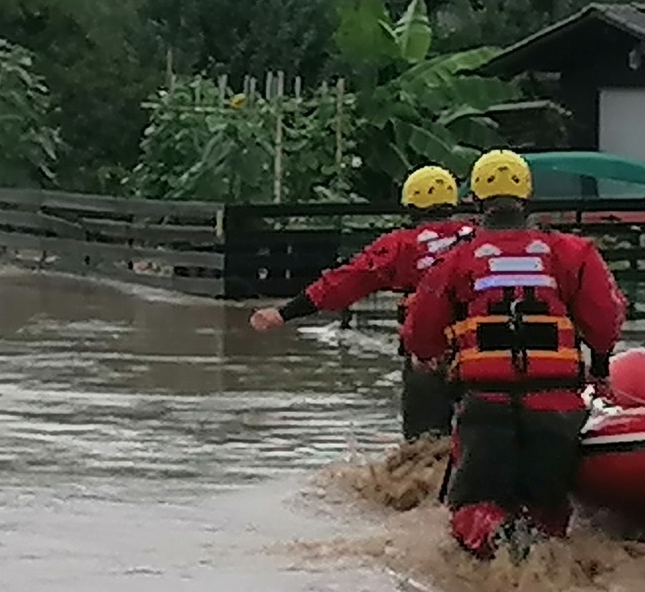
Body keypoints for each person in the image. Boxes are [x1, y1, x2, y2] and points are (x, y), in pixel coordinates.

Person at [402, 149, 625, 561]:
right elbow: (606, 319)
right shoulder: (573, 252)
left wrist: (425, 356)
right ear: (528, 198)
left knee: (469, 506)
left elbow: (421, 329)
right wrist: (600, 367)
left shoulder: (455, 259)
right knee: (548, 511)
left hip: (485, 403)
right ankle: (539, 552)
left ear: (475, 201)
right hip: (557, 403)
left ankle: (497, 537)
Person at [251, 165, 475, 440]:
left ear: (410, 205)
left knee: (424, 446)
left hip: (427, 358)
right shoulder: (478, 237)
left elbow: (343, 283)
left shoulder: (400, 246)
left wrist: (284, 313)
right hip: (481, 354)